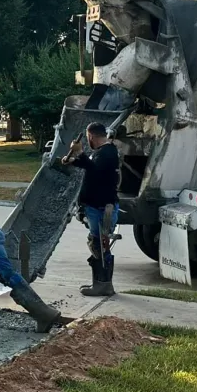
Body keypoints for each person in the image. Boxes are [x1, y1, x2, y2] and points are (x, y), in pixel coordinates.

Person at [62, 121, 121, 296]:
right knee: (98, 244)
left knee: (100, 246)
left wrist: (79, 152)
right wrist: (73, 160)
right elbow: (92, 166)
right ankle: (102, 284)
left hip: (102, 208)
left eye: (88, 139)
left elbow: (95, 169)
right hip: (97, 207)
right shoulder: (104, 152)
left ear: (91, 136)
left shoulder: (107, 153)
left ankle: (103, 285)